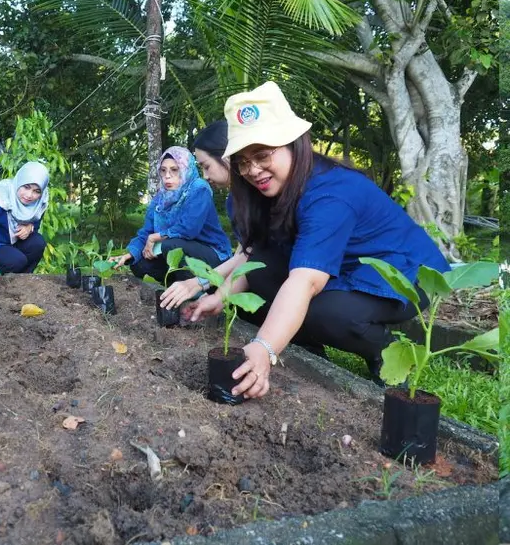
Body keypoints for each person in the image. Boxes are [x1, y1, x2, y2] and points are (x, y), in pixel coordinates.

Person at [184, 81, 450, 398]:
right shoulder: (264, 193)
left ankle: (384, 350)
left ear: (294, 143)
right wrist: (219, 296)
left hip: (402, 272)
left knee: (322, 310)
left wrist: (264, 347)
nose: (253, 170)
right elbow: (257, 259)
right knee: (261, 282)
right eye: (243, 160)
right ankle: (307, 343)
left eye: (263, 154)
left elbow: (306, 281)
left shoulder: (331, 194)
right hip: (341, 268)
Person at [159, 120, 250, 308]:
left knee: (170, 244)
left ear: (227, 157)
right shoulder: (234, 201)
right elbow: (244, 253)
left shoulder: (199, 189)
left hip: (221, 257)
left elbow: (251, 256)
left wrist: (201, 284)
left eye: (206, 166)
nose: (205, 176)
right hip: (235, 267)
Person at [109, 146, 232, 284]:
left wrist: (155, 237)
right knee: (138, 263)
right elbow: (146, 232)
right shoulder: (160, 199)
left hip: (213, 255)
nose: (167, 176)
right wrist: (130, 253)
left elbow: (188, 229)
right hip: (178, 254)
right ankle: (173, 285)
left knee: (171, 245)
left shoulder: (199, 188)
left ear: (186, 170)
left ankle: (195, 291)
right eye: (163, 170)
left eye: (174, 170)